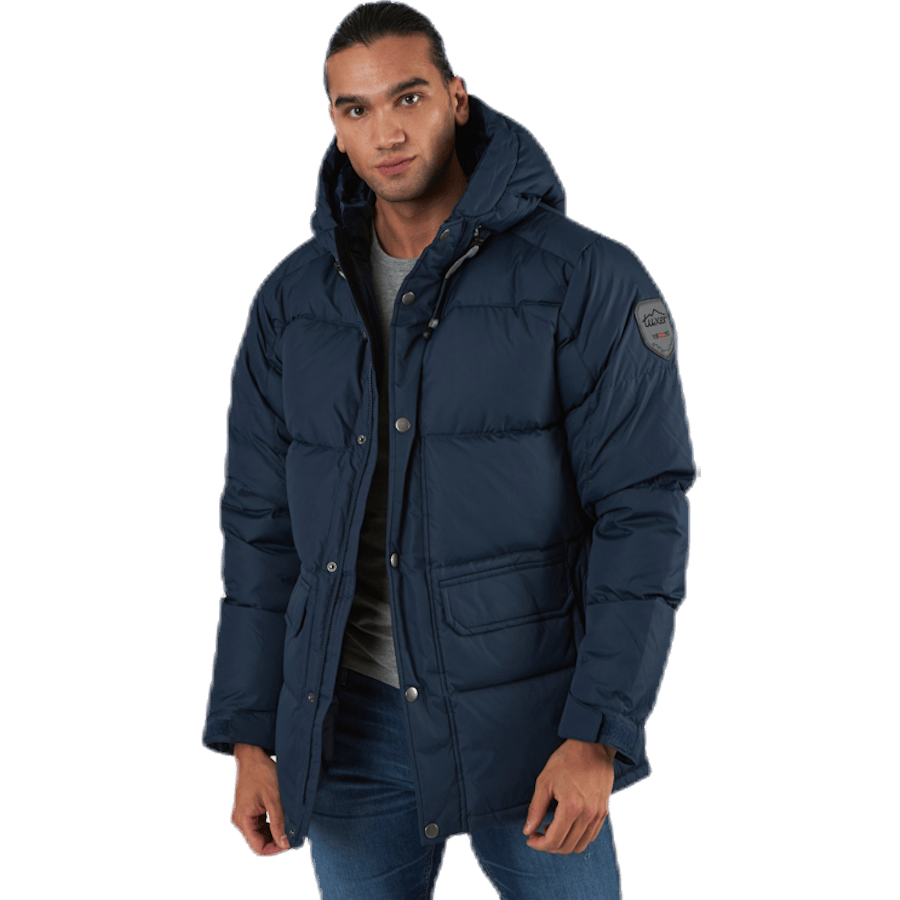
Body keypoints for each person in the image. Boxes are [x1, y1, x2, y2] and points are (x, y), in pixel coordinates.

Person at [201, 2, 699, 897]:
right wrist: (251, 735)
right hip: (347, 731)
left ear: (457, 99)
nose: (386, 133)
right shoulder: (292, 301)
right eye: (356, 109)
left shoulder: (584, 279)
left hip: (532, 725)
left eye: (409, 97)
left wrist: (599, 731)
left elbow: (642, 513)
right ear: (335, 125)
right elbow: (260, 528)